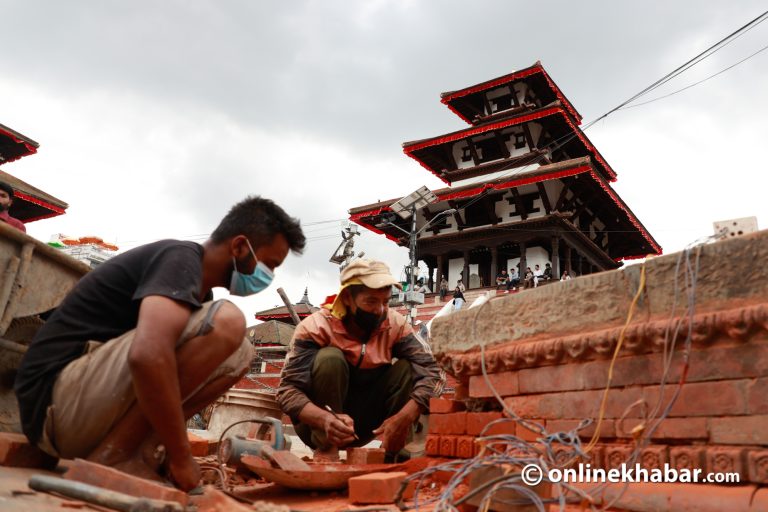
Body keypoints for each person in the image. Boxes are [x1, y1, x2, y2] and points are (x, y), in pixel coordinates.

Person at [14, 196, 305, 490]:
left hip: (80, 415)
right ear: (240, 246)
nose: (268, 276)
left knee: (241, 353)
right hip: (53, 405)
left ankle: (141, 452)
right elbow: (147, 356)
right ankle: (115, 456)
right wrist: (181, 455)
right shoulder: (179, 259)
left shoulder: (200, 297)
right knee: (228, 322)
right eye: (268, 264)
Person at [276, 259, 442, 461]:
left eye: (386, 301)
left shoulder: (396, 324)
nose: (380, 310)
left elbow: (433, 371)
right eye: (371, 302)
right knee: (330, 359)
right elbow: (287, 391)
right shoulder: (316, 327)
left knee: (408, 369)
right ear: (347, 298)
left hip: (370, 423)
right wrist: (325, 419)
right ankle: (327, 450)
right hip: (321, 425)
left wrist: (405, 417)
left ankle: (393, 452)